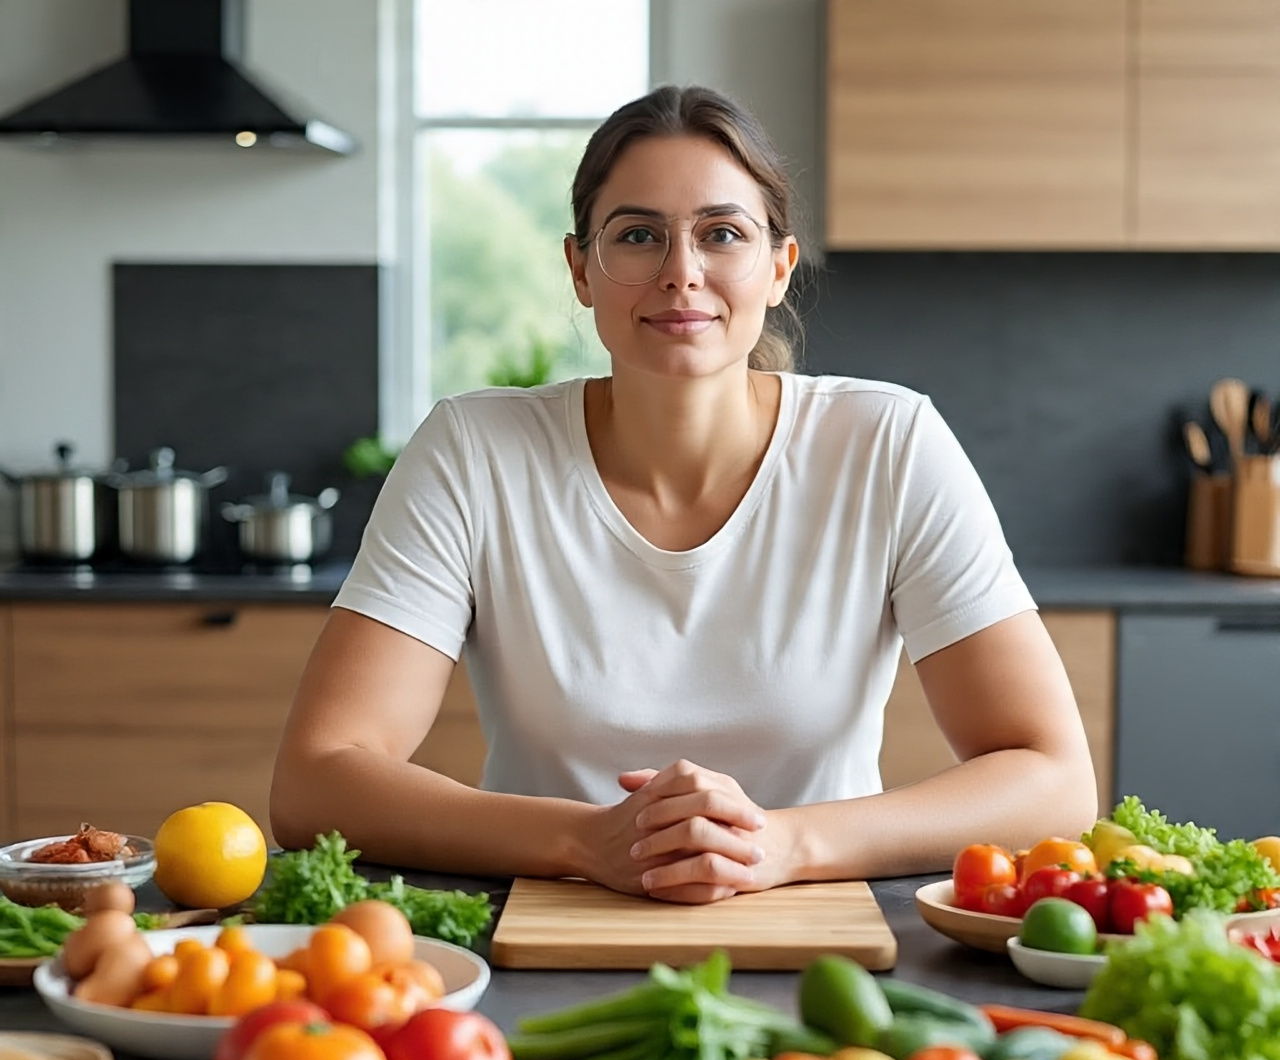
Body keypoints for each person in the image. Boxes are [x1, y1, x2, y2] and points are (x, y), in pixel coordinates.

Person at [271, 84, 1098, 905]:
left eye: (722, 234)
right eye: (638, 236)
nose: (681, 274)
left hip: (818, 930)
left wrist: (784, 843)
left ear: (779, 268)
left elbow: (1054, 780)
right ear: (580, 269)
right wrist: (585, 841)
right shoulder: (474, 450)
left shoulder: (889, 443)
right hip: (548, 925)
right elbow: (316, 778)